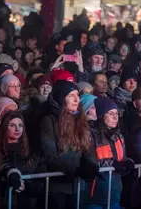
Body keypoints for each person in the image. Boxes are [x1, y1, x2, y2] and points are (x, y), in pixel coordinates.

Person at [38, 80, 99, 209]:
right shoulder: (49, 121)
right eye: (71, 95)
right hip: (56, 187)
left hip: (78, 187)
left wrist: (91, 165)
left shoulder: (81, 120)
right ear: (61, 98)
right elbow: (49, 155)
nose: (77, 99)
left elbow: (88, 147)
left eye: (77, 95)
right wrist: (76, 170)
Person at [84, 97, 135, 209]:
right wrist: (113, 164)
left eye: (117, 113)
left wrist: (128, 162)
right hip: (94, 195)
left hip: (114, 193)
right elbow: (89, 160)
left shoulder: (118, 135)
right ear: (102, 115)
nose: (115, 117)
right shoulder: (90, 135)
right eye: (111, 113)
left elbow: (122, 158)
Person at [0, 111, 42, 209]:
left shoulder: (32, 151)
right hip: (3, 202)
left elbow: (40, 179)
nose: (17, 129)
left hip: (27, 203)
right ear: (5, 127)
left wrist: (27, 187)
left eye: (20, 125)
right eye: (12, 125)